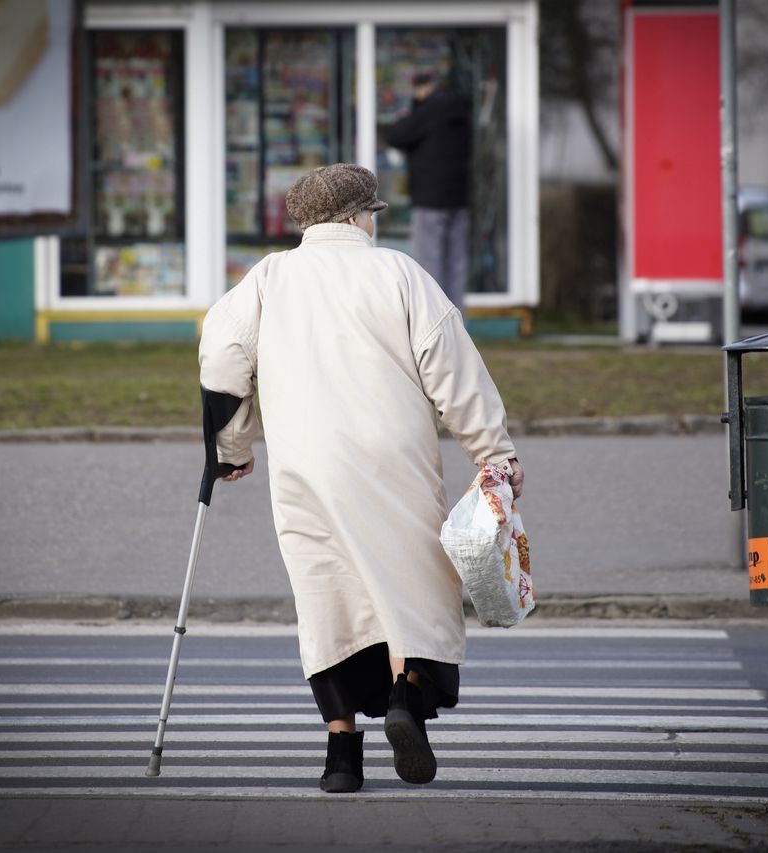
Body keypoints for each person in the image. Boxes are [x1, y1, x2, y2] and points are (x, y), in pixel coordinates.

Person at [198, 163, 524, 794]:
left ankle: (340, 753)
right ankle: (406, 700)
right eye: (371, 212)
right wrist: (493, 453)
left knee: (327, 595)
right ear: (356, 216)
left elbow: (221, 353)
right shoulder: (398, 272)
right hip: (393, 456)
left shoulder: (267, 278)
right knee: (405, 585)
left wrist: (230, 448)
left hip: (306, 463)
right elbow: (451, 366)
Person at [385, 70, 472, 313]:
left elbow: (397, 135)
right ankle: (458, 323)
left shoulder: (430, 110)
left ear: (422, 89)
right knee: (456, 264)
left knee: (429, 265)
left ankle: (435, 321)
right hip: (459, 198)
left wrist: (412, 109)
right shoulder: (461, 109)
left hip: (430, 198)